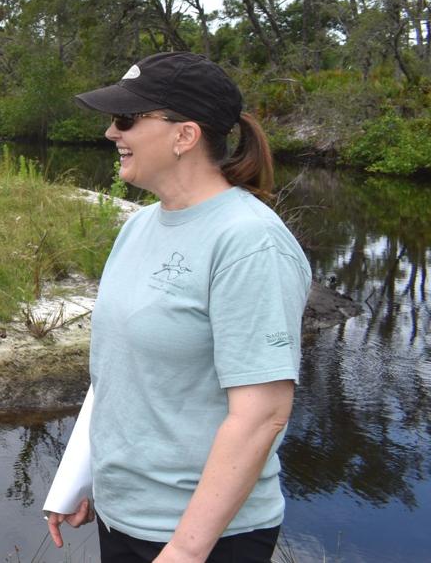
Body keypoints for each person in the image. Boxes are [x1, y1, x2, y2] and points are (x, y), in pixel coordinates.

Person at [45, 52, 312, 563]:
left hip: (205, 540)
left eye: (126, 119)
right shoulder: (138, 227)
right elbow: (119, 372)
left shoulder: (250, 242)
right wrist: (79, 478)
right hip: (122, 518)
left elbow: (262, 415)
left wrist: (186, 550)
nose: (110, 132)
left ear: (184, 136)